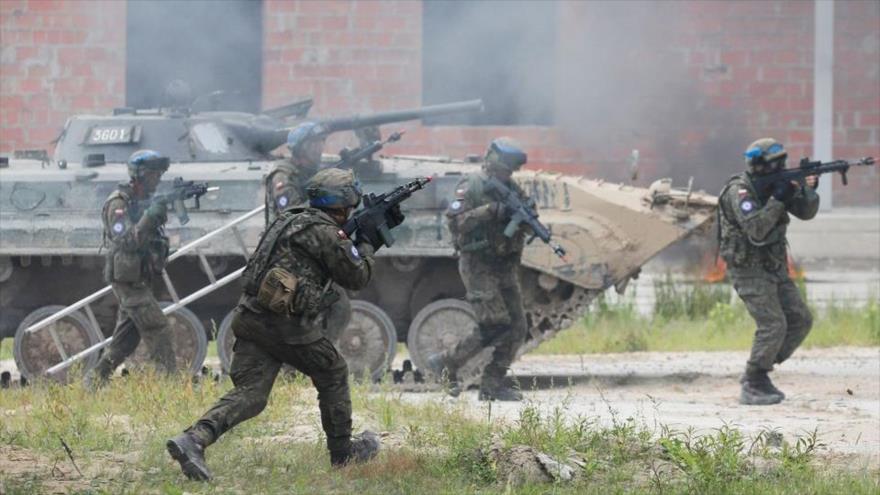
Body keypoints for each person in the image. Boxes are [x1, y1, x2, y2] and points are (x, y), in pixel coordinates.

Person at [167, 168, 385, 480]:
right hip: (286, 326)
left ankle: (193, 439)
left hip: (252, 316)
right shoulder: (327, 233)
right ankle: (342, 454)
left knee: (252, 394)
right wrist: (367, 244)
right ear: (342, 206)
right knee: (333, 371)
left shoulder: (289, 218)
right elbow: (357, 277)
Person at [717, 138, 819, 405]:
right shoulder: (739, 191)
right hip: (748, 269)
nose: (779, 168)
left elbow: (806, 213)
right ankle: (753, 380)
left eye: (782, 163)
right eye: (774, 164)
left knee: (800, 319)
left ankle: (760, 369)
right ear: (758, 165)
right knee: (773, 325)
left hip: (773, 266)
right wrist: (777, 199)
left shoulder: (777, 185)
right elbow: (756, 229)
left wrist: (807, 190)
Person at [429, 137, 531, 401]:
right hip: (479, 264)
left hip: (505, 266)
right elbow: (455, 222)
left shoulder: (513, 190)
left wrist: (523, 216)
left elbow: (529, 221)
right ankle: (447, 361)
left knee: (518, 326)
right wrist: (490, 211)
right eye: (504, 170)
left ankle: (492, 384)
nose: (507, 175)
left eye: (510, 171)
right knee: (495, 324)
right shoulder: (471, 186)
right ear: (493, 164)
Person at [87, 150, 177, 387]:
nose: (158, 180)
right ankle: (173, 387)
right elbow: (126, 241)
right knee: (158, 328)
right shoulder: (118, 203)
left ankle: (93, 382)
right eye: (154, 175)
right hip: (128, 281)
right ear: (140, 175)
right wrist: (150, 216)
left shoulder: (139, 200)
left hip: (139, 277)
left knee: (125, 341)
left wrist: (156, 212)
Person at [265, 122, 351, 342]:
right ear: (300, 147)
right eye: (314, 143)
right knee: (282, 318)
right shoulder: (283, 175)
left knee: (338, 308)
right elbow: (292, 212)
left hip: (310, 253)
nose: (320, 147)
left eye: (322, 141)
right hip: (286, 255)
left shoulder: (312, 172)